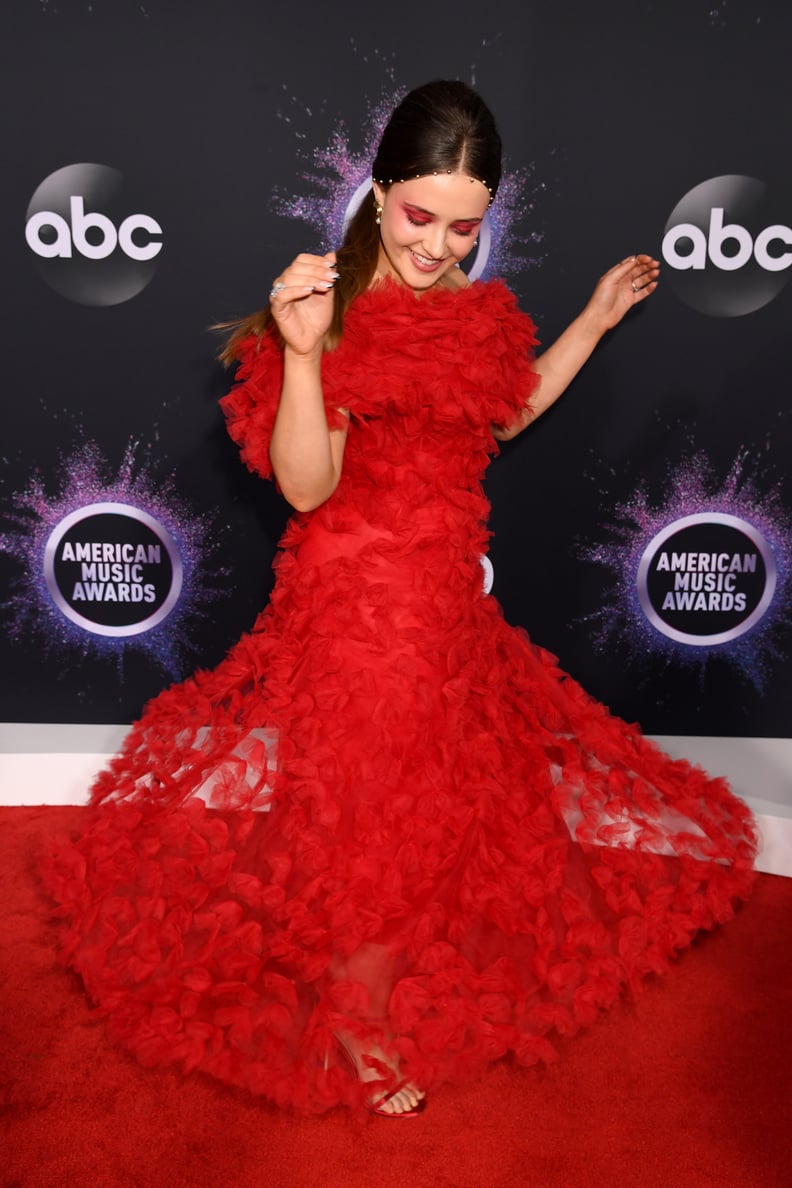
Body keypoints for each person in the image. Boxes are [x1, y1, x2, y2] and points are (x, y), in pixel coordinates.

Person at [42, 80, 756, 1118]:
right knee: (370, 826)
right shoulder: (325, 310)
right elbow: (304, 486)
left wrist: (597, 321)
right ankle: (356, 1017)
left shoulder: (470, 315)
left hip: (446, 617)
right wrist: (302, 353)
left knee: (428, 819)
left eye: (466, 227)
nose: (440, 246)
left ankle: (363, 979)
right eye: (422, 217)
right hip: (354, 619)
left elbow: (500, 418)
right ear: (378, 194)